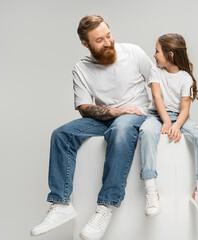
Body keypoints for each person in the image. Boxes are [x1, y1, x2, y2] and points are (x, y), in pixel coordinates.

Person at [30, 15, 153, 240]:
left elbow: (157, 84)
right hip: (105, 117)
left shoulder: (133, 52)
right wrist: (116, 111)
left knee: (121, 129)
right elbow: (85, 108)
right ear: (85, 43)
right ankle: (60, 204)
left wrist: (171, 118)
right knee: (62, 134)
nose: (108, 42)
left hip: (136, 113)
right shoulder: (81, 68)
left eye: (108, 35)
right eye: (99, 40)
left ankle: (105, 207)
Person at [139, 33, 198, 219]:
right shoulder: (156, 71)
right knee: (147, 132)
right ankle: (151, 190)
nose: (154, 55)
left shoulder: (185, 78)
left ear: (170, 54)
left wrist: (177, 126)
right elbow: (157, 98)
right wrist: (165, 121)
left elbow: (185, 109)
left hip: (179, 117)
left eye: (157, 51)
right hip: (157, 115)